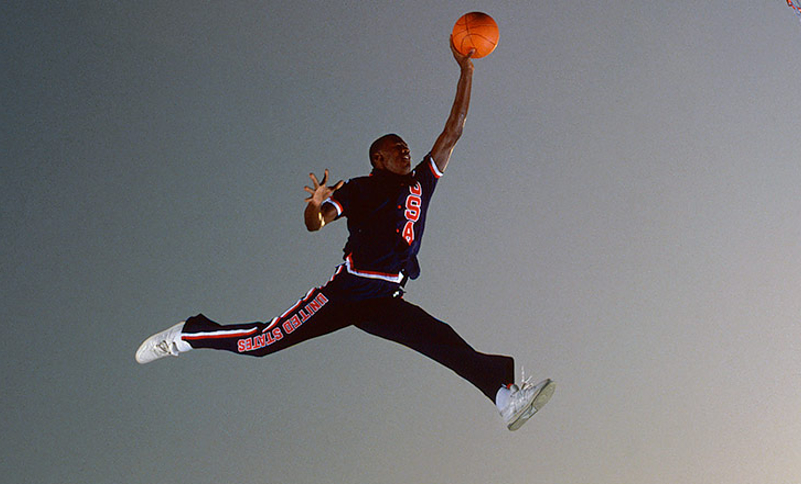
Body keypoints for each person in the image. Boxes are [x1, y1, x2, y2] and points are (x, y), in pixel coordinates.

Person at [136, 37, 554, 431]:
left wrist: (467, 70)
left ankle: (504, 396)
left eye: (407, 145)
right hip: (348, 291)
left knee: (439, 339)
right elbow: (315, 225)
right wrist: (315, 203)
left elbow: (454, 129)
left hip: (386, 296)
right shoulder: (358, 188)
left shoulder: (422, 181)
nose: (406, 150)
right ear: (378, 157)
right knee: (263, 341)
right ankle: (190, 333)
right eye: (396, 147)